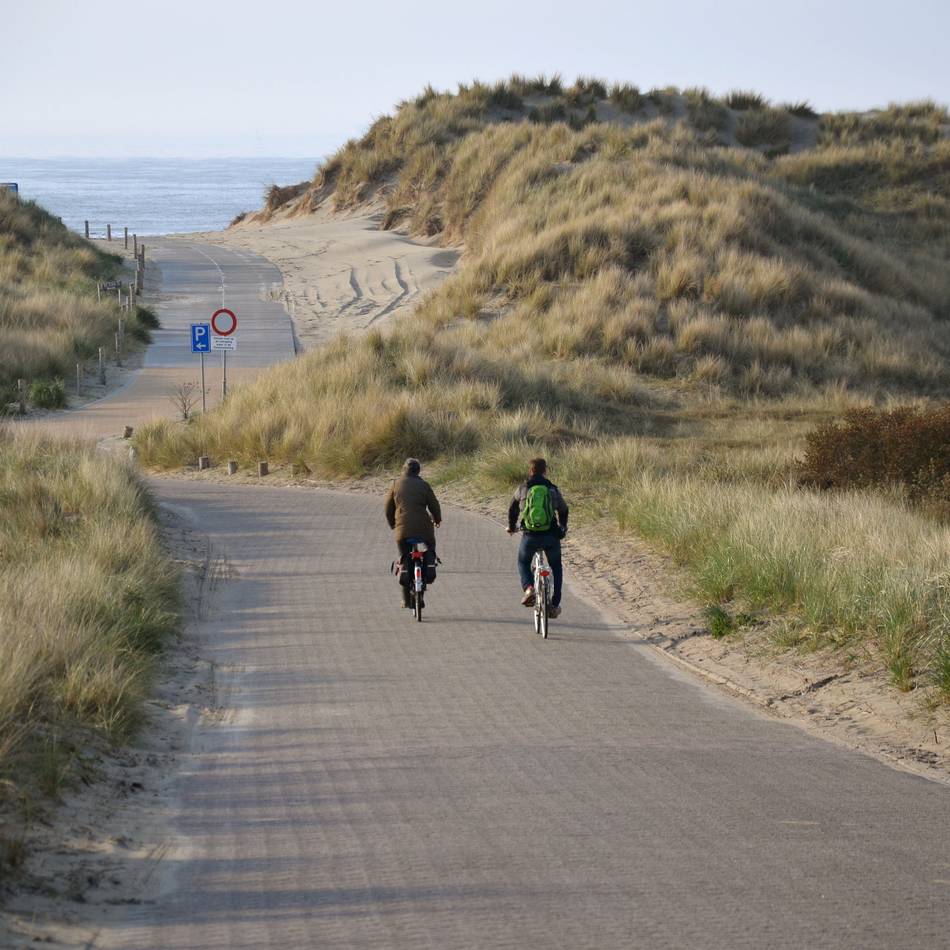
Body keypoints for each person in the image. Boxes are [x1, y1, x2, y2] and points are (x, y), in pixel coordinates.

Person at [507, 458, 569, 618]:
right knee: (556, 566)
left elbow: (513, 508)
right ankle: (554, 604)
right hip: (550, 536)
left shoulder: (523, 488)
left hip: (530, 536)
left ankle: (529, 588)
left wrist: (512, 526)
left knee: (522, 562)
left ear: (531, 471)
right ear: (545, 471)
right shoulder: (552, 489)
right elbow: (563, 509)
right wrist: (562, 527)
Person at [385, 458, 442, 608]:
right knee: (430, 548)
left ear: (404, 470)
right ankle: (425, 576)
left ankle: (406, 599)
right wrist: (437, 520)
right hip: (424, 529)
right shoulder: (424, 485)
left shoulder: (396, 484)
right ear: (418, 471)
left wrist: (393, 524)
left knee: (404, 557)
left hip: (402, 530)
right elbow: (434, 505)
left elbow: (388, 509)